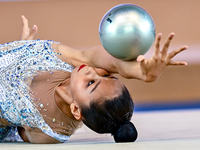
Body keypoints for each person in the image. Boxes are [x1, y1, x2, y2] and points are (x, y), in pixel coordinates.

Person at [0, 15, 188, 144]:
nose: (92, 71)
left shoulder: (53, 129)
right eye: (105, 75)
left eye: (91, 83)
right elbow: (115, 62)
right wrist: (142, 73)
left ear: (75, 109)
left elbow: (15, 134)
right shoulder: (75, 61)